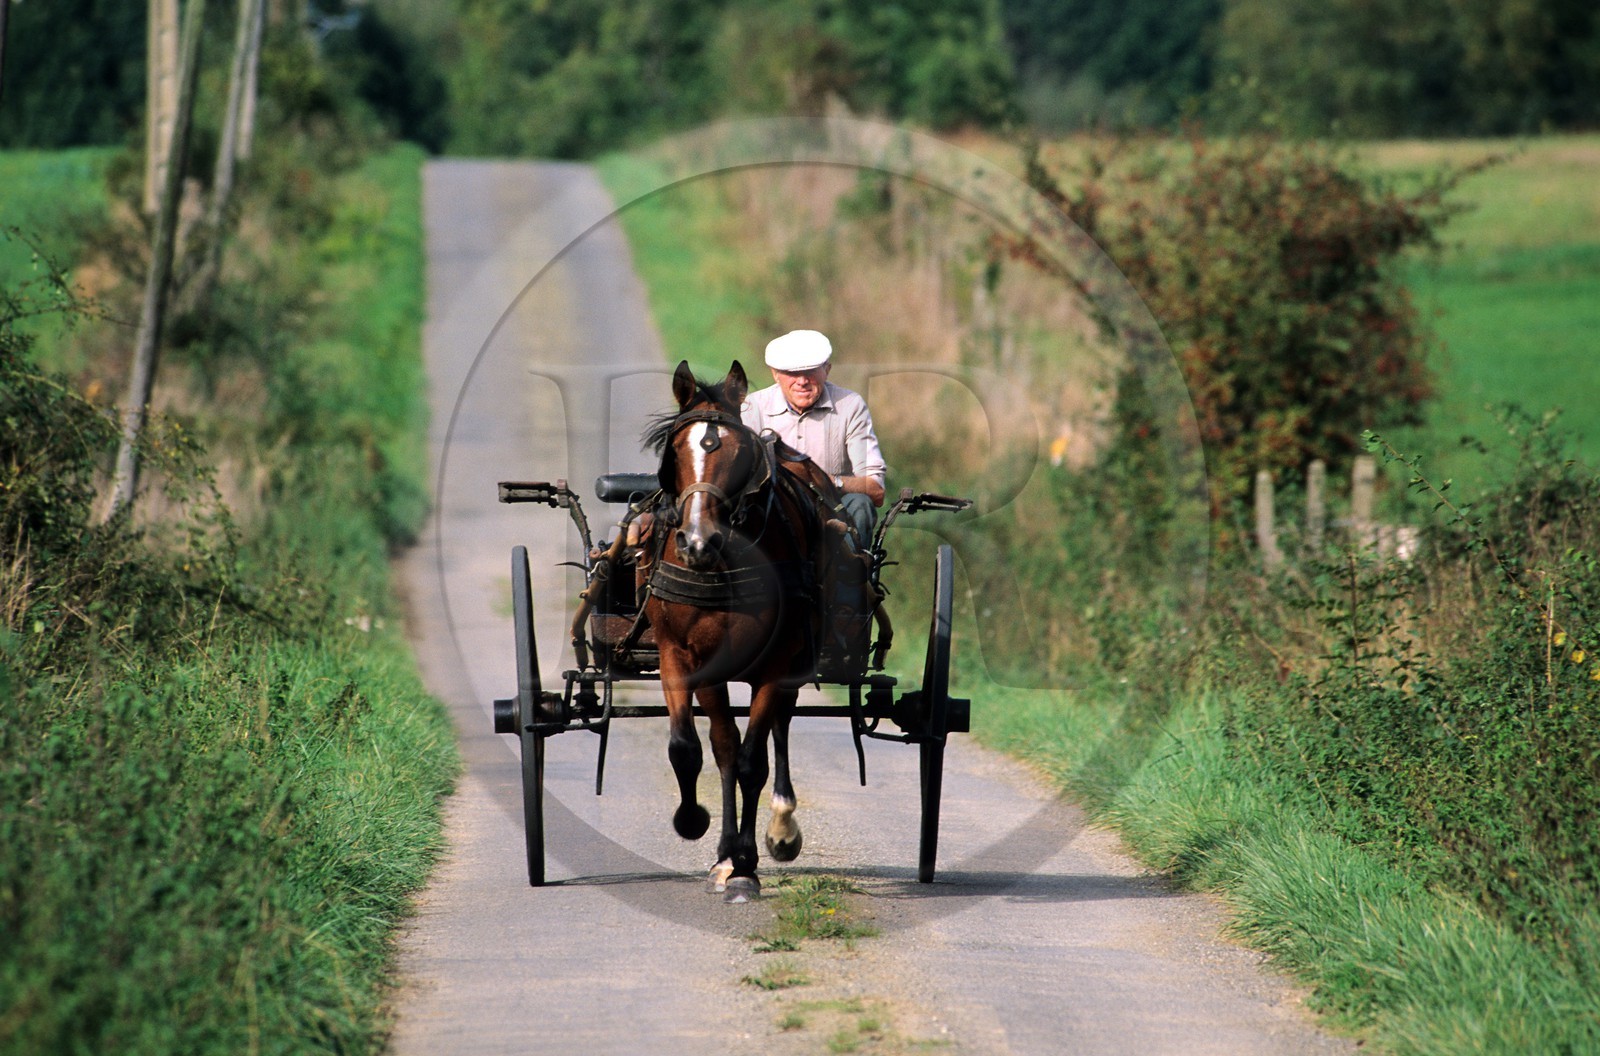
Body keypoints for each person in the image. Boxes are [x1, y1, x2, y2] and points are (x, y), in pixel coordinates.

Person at [740, 329, 886, 548]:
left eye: (810, 371)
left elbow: (875, 489)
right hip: (773, 517)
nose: (802, 381)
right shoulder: (754, 408)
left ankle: (849, 577)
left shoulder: (850, 406)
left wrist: (826, 481)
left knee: (860, 503)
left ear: (827, 369)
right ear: (775, 374)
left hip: (832, 516)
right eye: (791, 372)